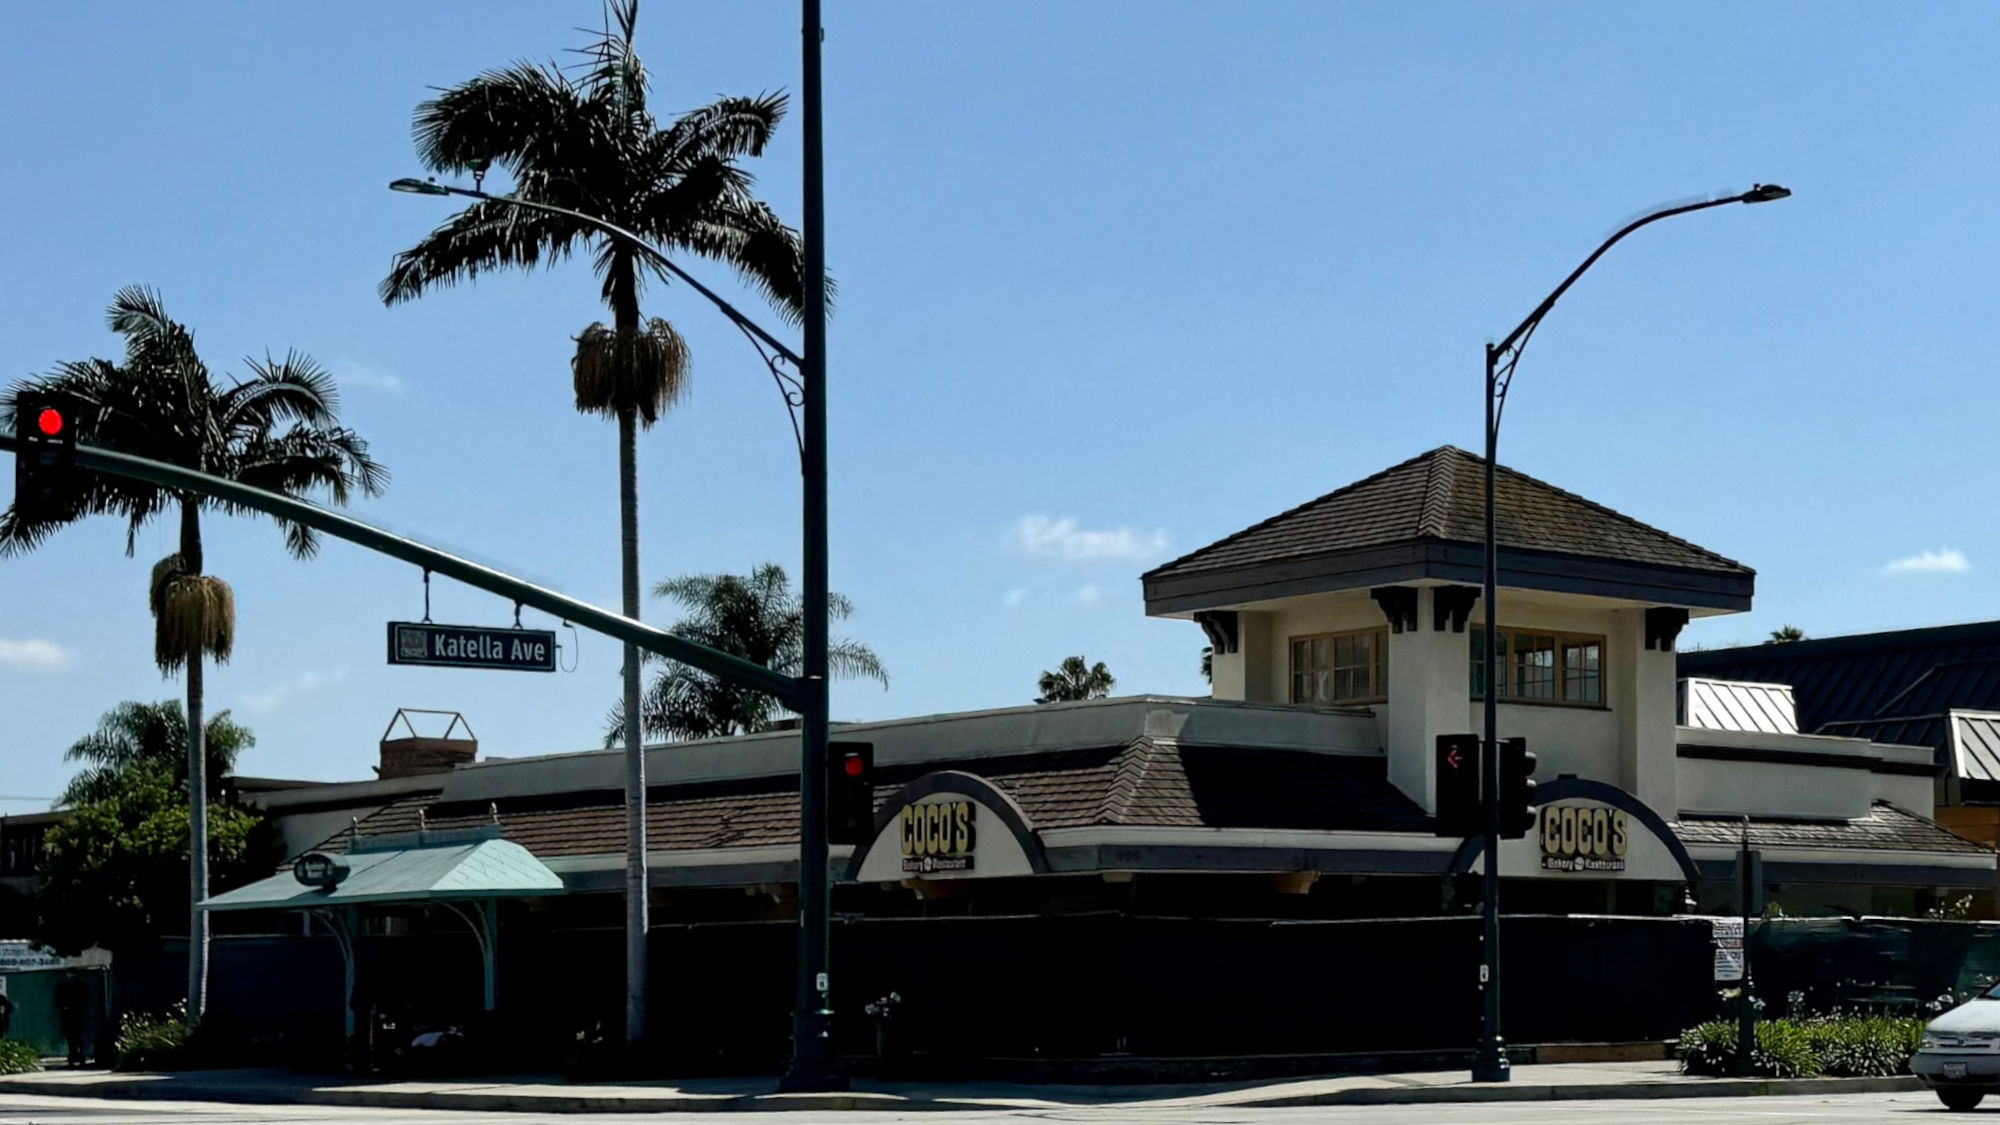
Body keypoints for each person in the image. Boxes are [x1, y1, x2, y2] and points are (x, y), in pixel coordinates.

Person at [53, 969, 88, 1067]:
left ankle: (73, 1056)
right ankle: (79, 1056)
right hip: (77, 1013)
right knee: (78, 1036)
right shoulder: (82, 985)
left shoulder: (63, 986)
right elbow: (86, 1000)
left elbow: (57, 1000)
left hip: (68, 1014)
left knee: (71, 1037)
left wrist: (63, 1007)